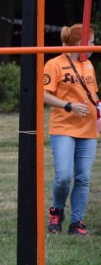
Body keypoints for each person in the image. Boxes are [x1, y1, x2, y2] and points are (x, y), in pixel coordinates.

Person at [43, 23, 98, 237]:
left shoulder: (89, 66)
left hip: (88, 128)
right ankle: (57, 210)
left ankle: (77, 222)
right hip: (63, 127)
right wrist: (68, 105)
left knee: (83, 177)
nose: (95, 46)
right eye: (92, 42)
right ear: (79, 43)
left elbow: (93, 95)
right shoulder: (54, 64)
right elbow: (44, 94)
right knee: (64, 176)